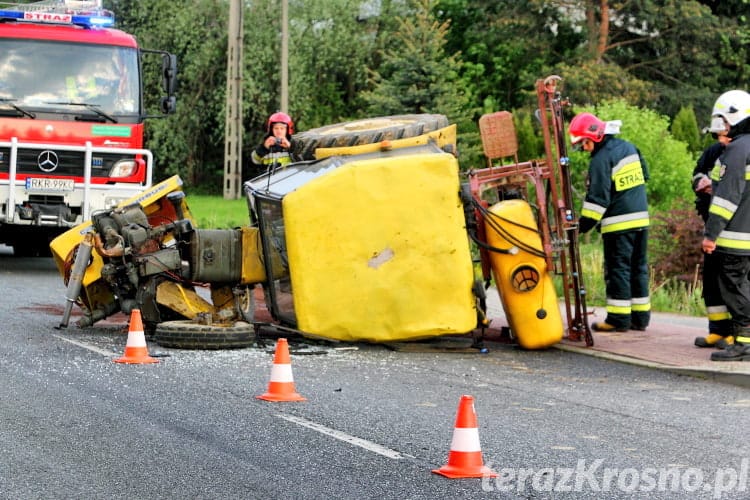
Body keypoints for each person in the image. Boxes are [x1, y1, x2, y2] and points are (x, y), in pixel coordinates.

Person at [569, 112, 651, 332]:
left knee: (618, 270)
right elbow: (645, 174)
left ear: (593, 137)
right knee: (638, 269)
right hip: (641, 221)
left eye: (583, 143)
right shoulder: (629, 147)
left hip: (618, 225)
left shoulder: (600, 160)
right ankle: (640, 318)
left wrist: (580, 227)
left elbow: (597, 200)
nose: (584, 149)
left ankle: (618, 319)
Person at [701, 90, 750, 362]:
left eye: (724, 125)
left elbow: (726, 199)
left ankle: (743, 343)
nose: (722, 133)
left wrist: (711, 235)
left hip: (735, 239)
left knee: (735, 288)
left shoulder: (736, 150)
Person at [692, 126, 734, 349]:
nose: (721, 139)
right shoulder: (713, 151)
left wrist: (716, 187)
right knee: (711, 280)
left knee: (733, 283)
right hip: (713, 224)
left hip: (736, 229)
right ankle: (717, 331)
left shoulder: (741, 152)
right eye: (718, 136)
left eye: (724, 135)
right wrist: (701, 182)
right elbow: (697, 173)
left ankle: (736, 334)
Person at [248, 111, 294, 177]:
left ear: (287, 130)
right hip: (269, 183)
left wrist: (290, 148)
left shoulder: (293, 144)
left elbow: (300, 163)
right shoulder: (266, 144)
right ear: (271, 130)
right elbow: (253, 162)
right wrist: (264, 148)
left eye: (282, 128)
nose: (279, 131)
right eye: (276, 128)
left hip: (288, 183)